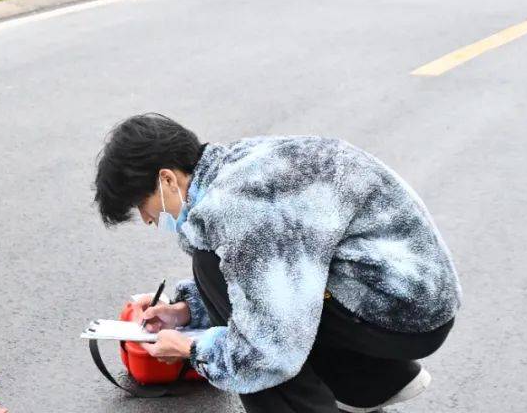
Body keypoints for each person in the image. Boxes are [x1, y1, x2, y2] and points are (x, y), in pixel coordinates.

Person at [93, 114, 462, 413]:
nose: (147, 219)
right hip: (409, 294)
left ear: (167, 179)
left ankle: (351, 385)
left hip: (400, 313)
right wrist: (186, 312)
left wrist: (191, 349)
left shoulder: (239, 207)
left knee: (223, 285)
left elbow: (266, 350)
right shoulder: (237, 166)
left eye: (143, 207)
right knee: (224, 271)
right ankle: (372, 380)